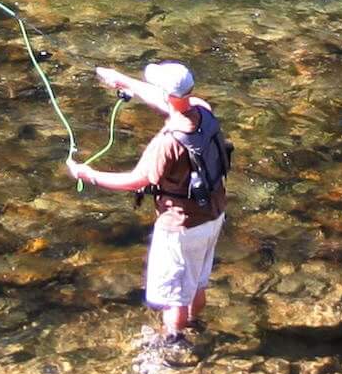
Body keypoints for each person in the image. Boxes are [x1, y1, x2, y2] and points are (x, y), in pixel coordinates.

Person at [65, 60, 226, 342]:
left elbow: (137, 180)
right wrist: (122, 79)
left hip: (181, 227)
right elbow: (166, 101)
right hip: (213, 215)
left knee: (174, 296)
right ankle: (194, 325)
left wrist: (88, 174)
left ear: (167, 95)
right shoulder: (203, 110)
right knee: (196, 283)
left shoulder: (168, 142)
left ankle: (173, 344)